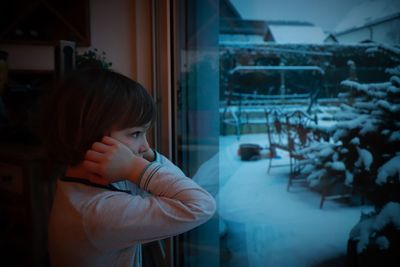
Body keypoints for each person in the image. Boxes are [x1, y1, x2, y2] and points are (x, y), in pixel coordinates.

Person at [42, 68, 216, 267]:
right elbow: (201, 204)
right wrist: (137, 167)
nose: (145, 146)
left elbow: (179, 184)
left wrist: (147, 158)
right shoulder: (98, 213)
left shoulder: (94, 179)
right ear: (90, 135)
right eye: (135, 134)